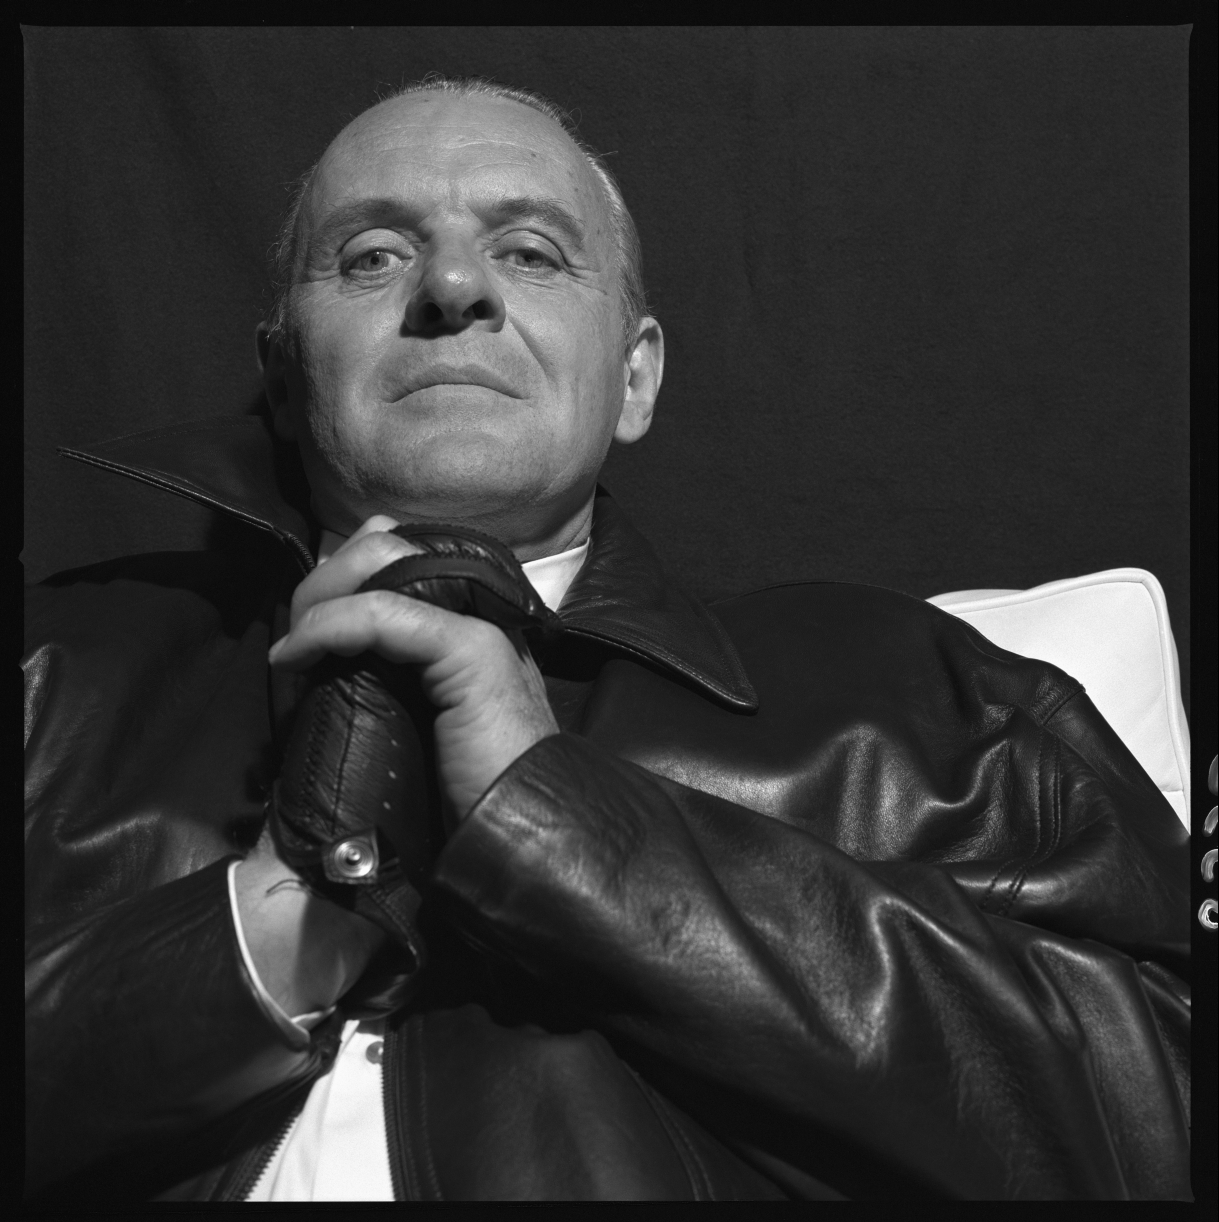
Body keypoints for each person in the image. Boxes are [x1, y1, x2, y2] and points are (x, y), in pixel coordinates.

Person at [24, 76, 1192, 1203]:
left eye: (530, 252)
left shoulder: (915, 698)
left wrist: (565, 819)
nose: (451, 286)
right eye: (373, 255)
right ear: (281, 380)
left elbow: (1160, 1120)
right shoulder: (52, 673)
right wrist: (272, 922)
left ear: (634, 379)